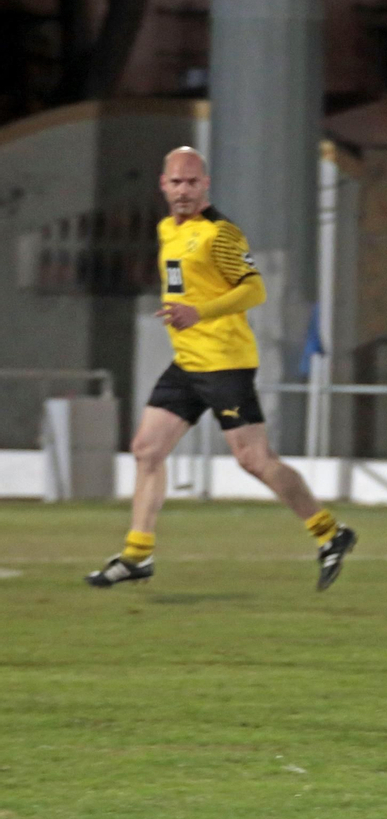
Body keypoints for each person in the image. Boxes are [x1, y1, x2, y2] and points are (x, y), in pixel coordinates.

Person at [86, 147, 356, 591]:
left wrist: (201, 312)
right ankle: (137, 555)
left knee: (254, 459)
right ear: (163, 184)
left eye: (192, 182)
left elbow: (254, 290)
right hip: (188, 363)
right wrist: (181, 311)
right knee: (147, 450)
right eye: (176, 182)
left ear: (205, 184)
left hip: (225, 364)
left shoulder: (221, 233)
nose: (184, 190)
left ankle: (330, 533)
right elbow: (179, 283)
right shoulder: (167, 230)